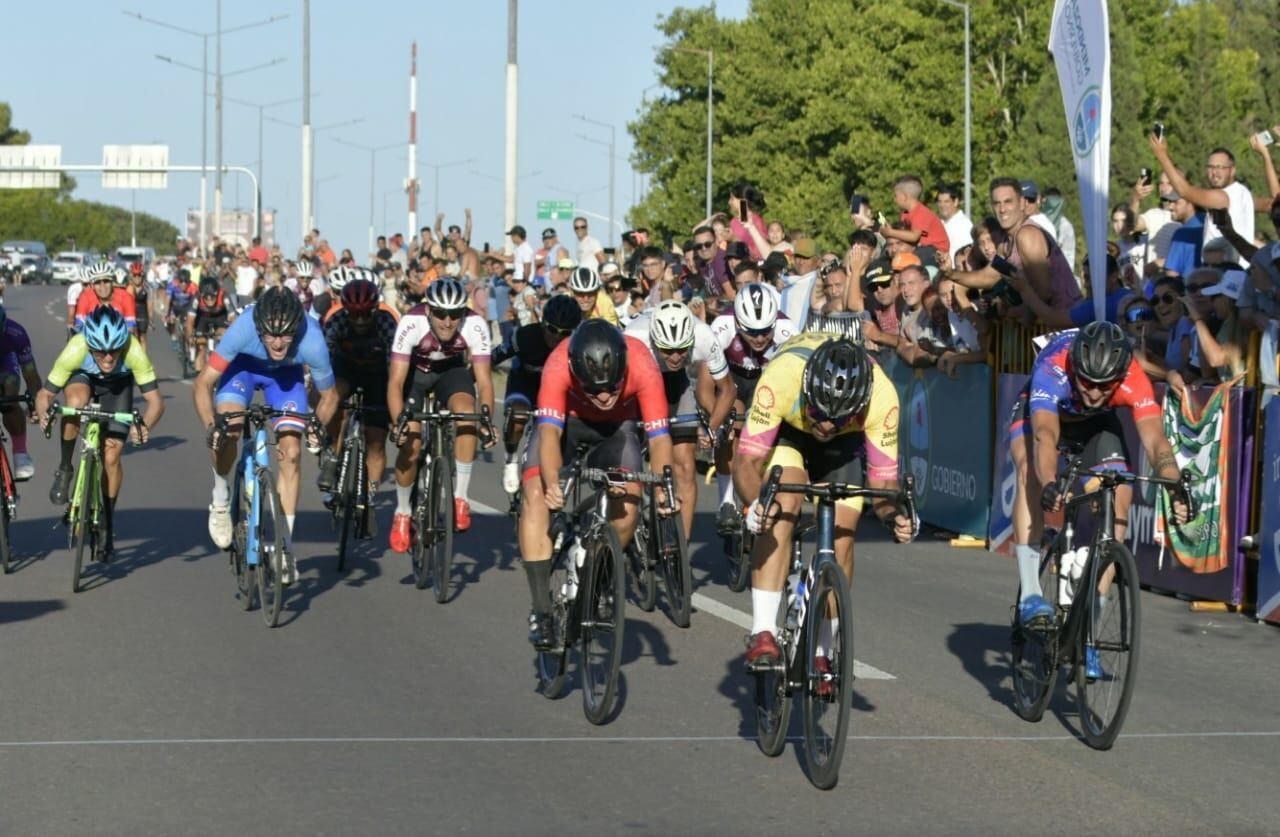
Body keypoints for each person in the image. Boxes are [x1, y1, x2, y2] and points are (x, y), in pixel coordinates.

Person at [1007, 322, 1190, 679]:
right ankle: (1031, 592)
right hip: (1045, 415)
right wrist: (1048, 483)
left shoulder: (1133, 377)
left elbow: (1155, 441)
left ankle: (1088, 632)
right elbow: (1045, 435)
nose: (1093, 391)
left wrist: (1174, 484)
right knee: (1029, 470)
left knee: (1120, 491)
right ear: (1076, 367)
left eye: (1103, 385)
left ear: (1120, 376)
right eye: (1087, 381)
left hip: (1096, 426)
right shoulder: (1054, 367)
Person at [733, 336, 912, 667]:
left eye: (839, 417)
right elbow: (746, 463)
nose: (826, 425)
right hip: (790, 432)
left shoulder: (882, 397)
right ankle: (762, 631)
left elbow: (883, 484)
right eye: (819, 413)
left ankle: (823, 651)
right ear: (807, 391)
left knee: (843, 538)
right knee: (782, 506)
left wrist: (894, 516)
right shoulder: (782, 376)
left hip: (844, 448)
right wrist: (756, 503)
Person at [518, 320, 677, 649]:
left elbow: (660, 440)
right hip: (568, 423)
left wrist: (663, 488)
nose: (603, 395)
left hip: (617, 430)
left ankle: (602, 579)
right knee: (534, 495)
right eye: (593, 388)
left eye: (612, 387)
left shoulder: (643, 363)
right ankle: (542, 612)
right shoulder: (559, 363)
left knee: (630, 501)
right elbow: (549, 434)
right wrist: (551, 483)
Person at [196, 287, 337, 585]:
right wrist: (213, 426)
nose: (277, 343)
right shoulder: (242, 329)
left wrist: (317, 425)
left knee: (292, 453)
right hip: (242, 370)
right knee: (229, 431)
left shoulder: (311, 339)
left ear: (296, 329)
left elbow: (329, 396)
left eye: (285, 336)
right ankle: (220, 498)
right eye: (270, 335)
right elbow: (203, 383)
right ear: (259, 327)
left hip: (285, 379)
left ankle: (285, 546)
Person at [38, 307, 165, 559]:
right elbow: (46, 394)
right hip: (83, 378)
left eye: (114, 351)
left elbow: (156, 403)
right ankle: (65, 468)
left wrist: (144, 427)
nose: (107, 358)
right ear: (89, 345)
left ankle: (107, 521)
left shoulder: (133, 350)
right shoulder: (76, 348)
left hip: (118, 386)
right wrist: (45, 415)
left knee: (111, 456)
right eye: (100, 351)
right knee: (73, 404)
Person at [387, 277, 495, 549]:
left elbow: (484, 381)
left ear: (463, 312)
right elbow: (396, 382)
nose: (447, 321)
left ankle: (460, 498)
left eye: (455, 314)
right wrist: (398, 421)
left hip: (451, 373)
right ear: (428, 310)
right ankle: (402, 512)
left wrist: (486, 421)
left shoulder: (475, 325)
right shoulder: (411, 323)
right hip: (416, 375)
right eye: (440, 314)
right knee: (410, 444)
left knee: (467, 415)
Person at [625, 300, 734, 540]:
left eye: (683, 350)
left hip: (676, 384)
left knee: (685, 465)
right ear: (654, 340)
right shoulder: (634, 337)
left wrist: (712, 428)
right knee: (629, 451)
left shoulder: (704, 336)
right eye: (666, 350)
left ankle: (679, 550)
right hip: (638, 381)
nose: (675, 357)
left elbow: (727, 390)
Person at [708, 284, 796, 531]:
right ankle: (725, 501)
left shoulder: (788, 330)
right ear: (738, 324)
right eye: (751, 332)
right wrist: (716, 421)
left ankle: (758, 487)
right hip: (732, 380)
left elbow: (797, 377)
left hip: (767, 381)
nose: (759, 338)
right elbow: (708, 379)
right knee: (730, 428)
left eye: (765, 332)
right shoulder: (722, 327)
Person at [317, 277, 400, 525]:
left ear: (375, 310)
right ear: (346, 311)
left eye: (366, 315)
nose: (361, 321)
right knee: (336, 397)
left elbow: (395, 371)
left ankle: (370, 497)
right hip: (346, 369)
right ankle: (333, 453)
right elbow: (323, 363)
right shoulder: (337, 320)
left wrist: (396, 414)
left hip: (379, 375)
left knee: (375, 441)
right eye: (355, 315)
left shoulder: (387, 323)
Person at [492, 295, 582, 494]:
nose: (557, 337)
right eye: (552, 329)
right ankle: (511, 458)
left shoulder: (578, 346)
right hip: (525, 384)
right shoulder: (524, 336)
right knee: (518, 415)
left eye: (565, 333)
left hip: (557, 392)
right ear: (542, 324)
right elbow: (493, 358)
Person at [950, 178, 1082, 313]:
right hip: (1042, 326)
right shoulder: (1005, 243)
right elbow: (988, 277)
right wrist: (950, 272)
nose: (1002, 209)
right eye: (997, 203)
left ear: (1022, 203)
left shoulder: (1027, 235)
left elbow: (1044, 292)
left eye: (1008, 202)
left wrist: (1019, 311)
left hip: (1064, 326)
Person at [1151, 135, 1254, 268]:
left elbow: (1184, 191)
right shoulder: (1243, 192)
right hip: (1238, 272)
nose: (1214, 172)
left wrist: (1161, 155)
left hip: (1225, 273)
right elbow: (1268, 204)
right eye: (1210, 167)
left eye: (1220, 167)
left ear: (1233, 170)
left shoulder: (1222, 197)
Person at [0, 305, 42, 480]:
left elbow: (31, 375)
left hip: (5, 361)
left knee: (9, 397)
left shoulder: (16, 333)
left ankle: (20, 454)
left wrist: (37, 405)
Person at [881, 175, 949, 256]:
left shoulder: (921, 212)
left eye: (896, 196)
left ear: (904, 197)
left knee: (914, 257)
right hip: (920, 248)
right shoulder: (905, 214)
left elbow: (914, 236)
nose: (894, 199)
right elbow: (904, 234)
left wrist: (891, 232)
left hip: (936, 250)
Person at [74, 261, 138, 333]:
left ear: (112, 282)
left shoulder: (126, 297)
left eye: (106, 281)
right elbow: (79, 325)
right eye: (97, 282)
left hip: (120, 339)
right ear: (92, 285)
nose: (102, 286)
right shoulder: (85, 297)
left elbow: (131, 327)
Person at [186, 278, 233, 375]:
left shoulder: (224, 295)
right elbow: (190, 320)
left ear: (217, 292)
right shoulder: (197, 297)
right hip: (203, 317)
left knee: (223, 335)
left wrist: (230, 334)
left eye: (212, 297)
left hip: (220, 317)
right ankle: (199, 374)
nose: (209, 300)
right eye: (206, 298)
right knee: (200, 345)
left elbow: (233, 318)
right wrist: (190, 337)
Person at [936, 182, 972, 263]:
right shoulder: (938, 222)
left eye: (946, 202)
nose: (942, 205)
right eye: (939, 201)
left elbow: (965, 256)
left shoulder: (964, 225)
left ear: (955, 202)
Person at [127, 262, 150, 348]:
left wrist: (151, 318)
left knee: (142, 337)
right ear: (131, 276)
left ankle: (144, 357)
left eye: (139, 275)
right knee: (134, 338)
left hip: (143, 314)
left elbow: (150, 303)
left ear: (142, 276)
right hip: (131, 314)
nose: (137, 278)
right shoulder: (128, 287)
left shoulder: (146, 287)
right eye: (135, 275)